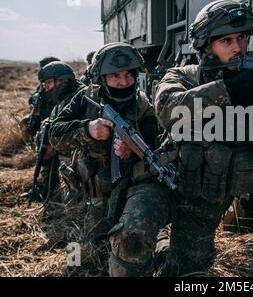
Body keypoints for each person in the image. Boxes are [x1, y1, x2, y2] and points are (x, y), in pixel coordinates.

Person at [152, 0, 253, 276]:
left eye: (242, 38)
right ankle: (162, 244)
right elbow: (168, 110)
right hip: (200, 192)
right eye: (226, 41)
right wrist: (227, 92)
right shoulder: (184, 77)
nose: (238, 48)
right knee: (188, 270)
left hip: (249, 186)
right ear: (206, 46)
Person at [48, 42, 166, 277]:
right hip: (86, 191)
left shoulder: (142, 106)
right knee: (78, 246)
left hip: (125, 191)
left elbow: (155, 148)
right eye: (115, 76)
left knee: (125, 243)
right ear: (101, 78)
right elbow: (55, 134)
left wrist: (132, 153)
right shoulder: (85, 98)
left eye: (128, 75)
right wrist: (87, 129)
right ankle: (75, 270)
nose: (124, 82)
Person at [31, 61, 83, 202]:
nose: (46, 88)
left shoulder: (79, 99)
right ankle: (50, 191)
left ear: (62, 81)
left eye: (48, 83)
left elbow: (78, 133)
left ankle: (75, 196)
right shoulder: (63, 100)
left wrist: (55, 146)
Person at [20, 56, 61, 141]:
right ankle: (30, 142)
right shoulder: (43, 84)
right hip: (40, 113)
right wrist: (34, 100)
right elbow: (33, 98)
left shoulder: (59, 83)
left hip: (51, 116)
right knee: (25, 122)